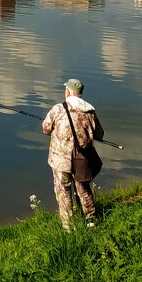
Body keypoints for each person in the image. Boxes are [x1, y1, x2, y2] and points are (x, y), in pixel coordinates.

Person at [42, 77, 103, 230]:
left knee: (63, 192)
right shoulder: (90, 111)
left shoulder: (58, 109)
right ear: (80, 93)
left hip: (60, 161)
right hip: (81, 159)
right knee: (83, 188)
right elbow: (99, 134)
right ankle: (90, 220)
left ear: (68, 91)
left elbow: (46, 128)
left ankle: (68, 226)